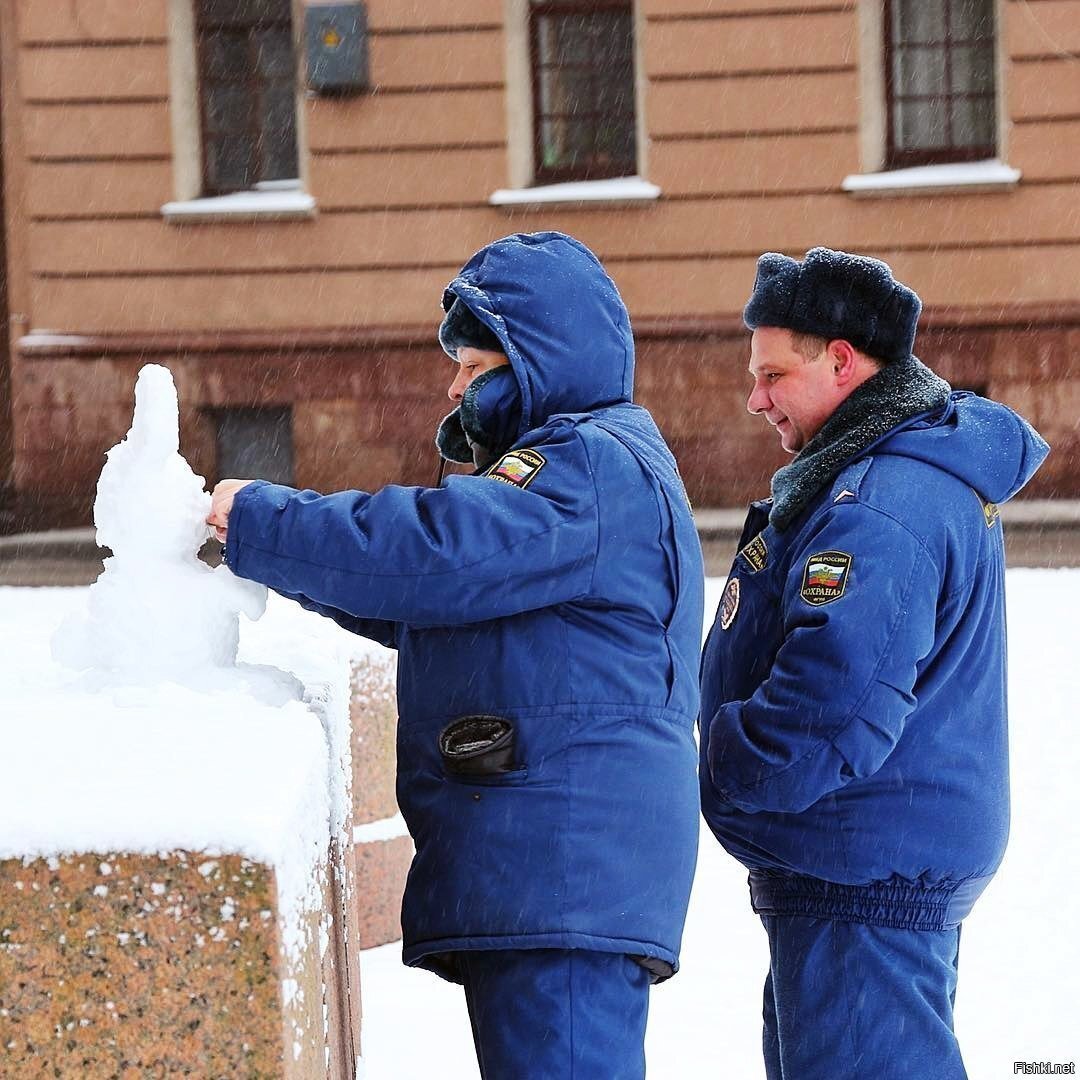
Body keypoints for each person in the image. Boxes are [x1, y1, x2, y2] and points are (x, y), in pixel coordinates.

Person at [208, 231, 704, 1078]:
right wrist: (269, 552)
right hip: (554, 870)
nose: (454, 386)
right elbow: (433, 601)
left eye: (472, 369)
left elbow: (440, 553)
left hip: (564, 876)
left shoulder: (585, 465)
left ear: (532, 363)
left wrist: (262, 517)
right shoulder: (586, 464)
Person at [699, 247, 1049, 1080]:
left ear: (843, 361)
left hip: (861, 879)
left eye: (774, 374)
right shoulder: (873, 479)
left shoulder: (885, 500)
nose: (755, 398)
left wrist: (721, 758)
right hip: (859, 871)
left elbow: (834, 703)